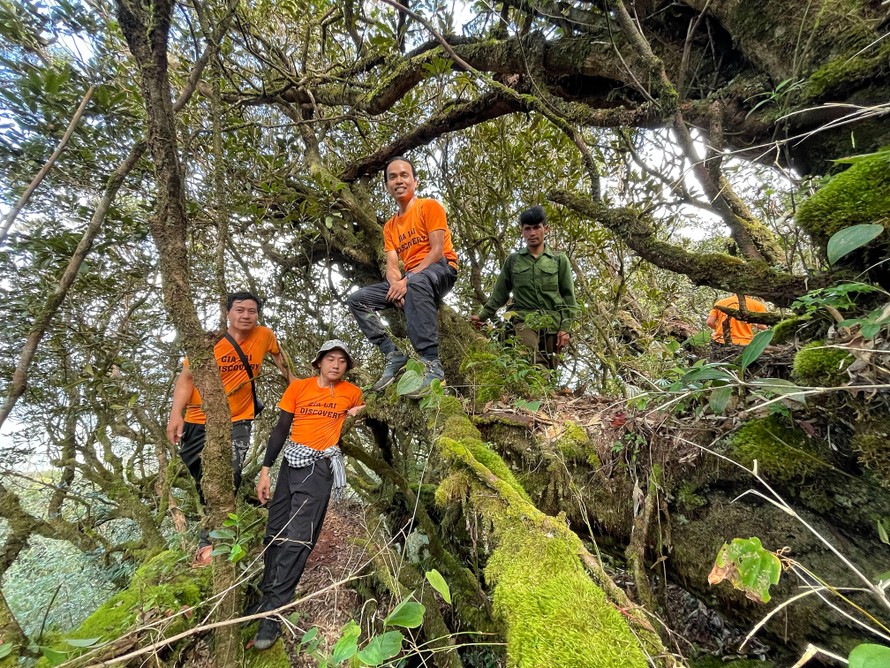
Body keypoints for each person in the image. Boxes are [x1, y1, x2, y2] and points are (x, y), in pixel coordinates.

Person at [166, 291, 295, 566]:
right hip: (198, 420)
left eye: (251, 310)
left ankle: (209, 541)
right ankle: (210, 526)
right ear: (228, 313)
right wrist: (175, 414)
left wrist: (292, 379)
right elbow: (187, 379)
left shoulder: (264, 335)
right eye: (240, 310)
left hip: (239, 419)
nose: (246, 315)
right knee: (202, 477)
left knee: (228, 474)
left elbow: (279, 355)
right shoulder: (210, 343)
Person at [251, 339, 364, 651]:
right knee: (274, 533)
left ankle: (273, 615)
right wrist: (265, 469)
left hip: (320, 466)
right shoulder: (299, 388)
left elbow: (362, 414)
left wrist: (363, 411)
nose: (336, 364)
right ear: (318, 362)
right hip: (290, 462)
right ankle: (264, 598)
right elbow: (281, 427)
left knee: (299, 539)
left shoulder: (351, 392)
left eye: (342, 360)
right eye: (330, 358)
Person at [347, 156, 458, 396]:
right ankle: (392, 353)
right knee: (357, 299)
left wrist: (406, 281)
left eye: (404, 175)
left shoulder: (429, 206)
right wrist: (396, 284)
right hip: (412, 278)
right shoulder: (389, 226)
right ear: (387, 185)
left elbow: (437, 251)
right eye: (392, 177)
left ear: (415, 181)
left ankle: (432, 366)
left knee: (417, 281)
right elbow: (392, 264)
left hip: (441, 268)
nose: (399, 180)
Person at [470, 206, 578, 369]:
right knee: (529, 360)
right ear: (522, 231)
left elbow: (568, 297)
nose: (532, 233)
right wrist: (482, 316)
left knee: (550, 371)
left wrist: (565, 328)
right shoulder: (514, 261)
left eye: (536, 228)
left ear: (546, 229)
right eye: (527, 229)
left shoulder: (559, 260)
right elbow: (500, 294)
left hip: (552, 324)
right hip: (524, 320)